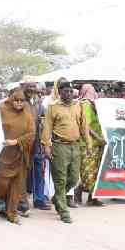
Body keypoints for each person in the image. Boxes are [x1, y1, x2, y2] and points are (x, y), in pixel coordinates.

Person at [42, 81, 91, 223]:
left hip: (75, 146)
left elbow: (84, 126)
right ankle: (63, 212)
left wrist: (88, 143)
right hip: (59, 146)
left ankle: (58, 197)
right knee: (60, 179)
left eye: (71, 91)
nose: (69, 94)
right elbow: (47, 127)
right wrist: (46, 145)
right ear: (60, 92)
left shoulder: (78, 105)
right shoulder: (53, 107)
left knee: (74, 178)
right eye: (65, 91)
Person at [0, 90, 35, 225]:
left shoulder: (27, 113)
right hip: (3, 154)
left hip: (20, 153)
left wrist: (17, 141)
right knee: (1, 184)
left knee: (16, 186)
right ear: (11, 100)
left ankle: (11, 213)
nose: (19, 103)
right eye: (16, 100)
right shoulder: (2, 109)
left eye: (22, 101)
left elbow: (31, 133)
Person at [20, 76, 49, 212]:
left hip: (37, 143)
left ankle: (39, 200)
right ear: (22, 86)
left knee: (39, 171)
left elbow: (44, 118)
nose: (31, 89)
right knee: (22, 173)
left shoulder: (37, 102)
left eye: (33, 86)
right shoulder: (18, 101)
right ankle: (21, 201)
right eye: (29, 86)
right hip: (23, 143)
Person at [75, 84, 105, 207]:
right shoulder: (85, 104)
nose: (93, 92)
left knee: (96, 171)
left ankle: (92, 197)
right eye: (91, 90)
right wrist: (97, 137)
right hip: (87, 143)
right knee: (88, 171)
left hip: (97, 143)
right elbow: (85, 124)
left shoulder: (94, 104)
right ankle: (79, 191)